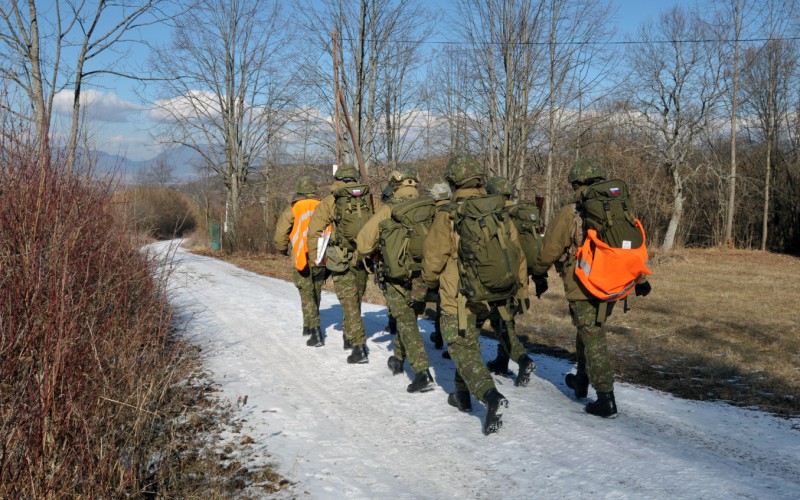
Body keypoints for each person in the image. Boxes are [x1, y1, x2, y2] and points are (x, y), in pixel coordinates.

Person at [422, 154, 533, 435]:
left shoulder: (447, 215)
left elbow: (433, 261)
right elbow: (518, 254)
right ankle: (462, 395)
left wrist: (430, 283)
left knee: (462, 348)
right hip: (493, 294)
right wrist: (520, 289)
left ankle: (489, 395)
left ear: (453, 182)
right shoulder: (498, 211)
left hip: (458, 298)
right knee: (469, 342)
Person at [531, 159, 651, 418]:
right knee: (587, 330)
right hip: (613, 283)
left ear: (576, 183)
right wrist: (640, 280)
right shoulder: (619, 209)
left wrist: (538, 272)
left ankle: (606, 399)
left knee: (593, 336)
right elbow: (628, 250)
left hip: (583, 284)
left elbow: (550, 250)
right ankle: (582, 379)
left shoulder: (571, 212)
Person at [356, 167, 434, 393]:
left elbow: (364, 243)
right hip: (425, 274)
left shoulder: (388, 209)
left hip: (397, 276)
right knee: (408, 317)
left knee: (406, 320)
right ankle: (399, 358)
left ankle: (422, 372)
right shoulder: (431, 207)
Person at [307, 164, 373, 364]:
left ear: (338, 179)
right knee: (356, 298)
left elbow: (314, 231)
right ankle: (349, 334)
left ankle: (359, 347)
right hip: (363, 257)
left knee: (348, 301)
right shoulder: (369, 198)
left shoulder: (331, 200)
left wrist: (316, 261)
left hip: (340, 258)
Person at [481, 175, 535, 380]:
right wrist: (524, 290)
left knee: (500, 325)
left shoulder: (493, 215)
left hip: (495, 280)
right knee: (506, 322)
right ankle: (502, 362)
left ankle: (523, 360)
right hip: (516, 280)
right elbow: (522, 257)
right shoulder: (520, 214)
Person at [273, 175, 327, 345]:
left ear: (299, 190)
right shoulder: (323, 207)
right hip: (320, 256)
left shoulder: (293, 209)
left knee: (306, 293)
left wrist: (282, 249)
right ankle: (307, 325)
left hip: (300, 256)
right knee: (315, 291)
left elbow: (281, 233)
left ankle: (315, 332)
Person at [426, 182, 451, 357]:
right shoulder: (459, 209)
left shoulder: (435, 214)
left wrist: (430, 279)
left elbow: (434, 248)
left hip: (443, 267)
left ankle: (441, 337)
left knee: (443, 305)